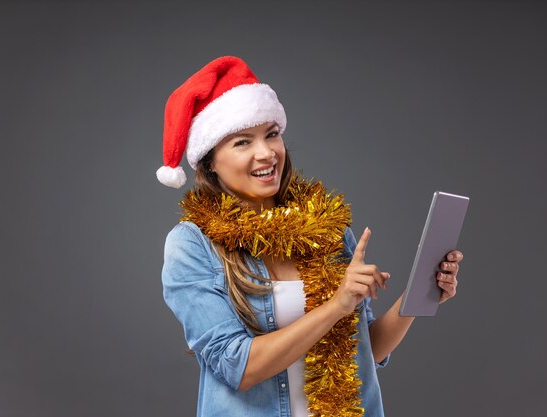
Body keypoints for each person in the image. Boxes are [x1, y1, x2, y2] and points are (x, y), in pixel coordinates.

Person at [157, 56, 463, 417]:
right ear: (210, 161)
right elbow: (238, 368)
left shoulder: (326, 229)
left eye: (272, 134)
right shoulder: (192, 245)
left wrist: (418, 295)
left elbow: (363, 353)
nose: (266, 152)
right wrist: (337, 305)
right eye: (243, 142)